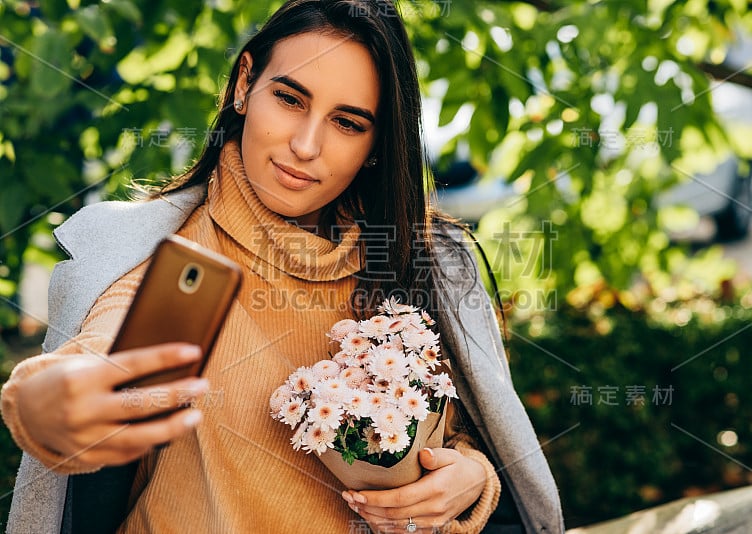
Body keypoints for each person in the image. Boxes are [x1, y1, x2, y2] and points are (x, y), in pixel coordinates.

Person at [0, 1, 563, 532]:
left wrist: (472, 478)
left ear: (376, 142)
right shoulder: (175, 261)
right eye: (290, 99)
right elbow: (85, 366)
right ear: (245, 83)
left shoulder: (421, 261)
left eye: (347, 122)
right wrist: (42, 406)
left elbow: (468, 432)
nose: (305, 144)